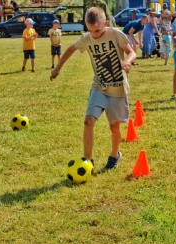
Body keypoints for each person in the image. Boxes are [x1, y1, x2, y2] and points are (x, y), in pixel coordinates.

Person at [50, 7, 136, 169]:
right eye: (90, 31)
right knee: (88, 121)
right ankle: (87, 161)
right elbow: (70, 49)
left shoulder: (115, 34)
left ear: (105, 23)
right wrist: (58, 68)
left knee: (114, 127)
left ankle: (115, 155)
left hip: (117, 87)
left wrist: (127, 61)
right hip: (99, 85)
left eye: (97, 31)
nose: (94, 35)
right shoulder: (87, 38)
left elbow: (131, 52)